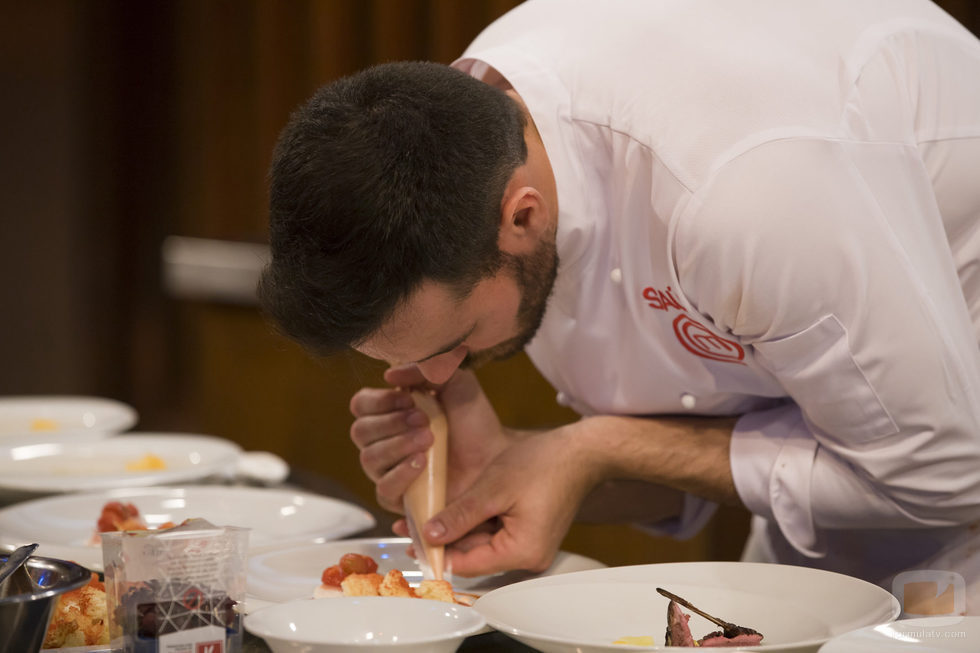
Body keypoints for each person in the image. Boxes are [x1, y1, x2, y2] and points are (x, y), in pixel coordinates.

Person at [258, 0, 980, 612]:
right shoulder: (466, 141)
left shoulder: (742, 194)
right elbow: (702, 453)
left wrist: (597, 447)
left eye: (454, 340)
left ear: (522, 217)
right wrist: (517, 464)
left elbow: (946, 473)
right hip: (851, 508)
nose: (438, 375)